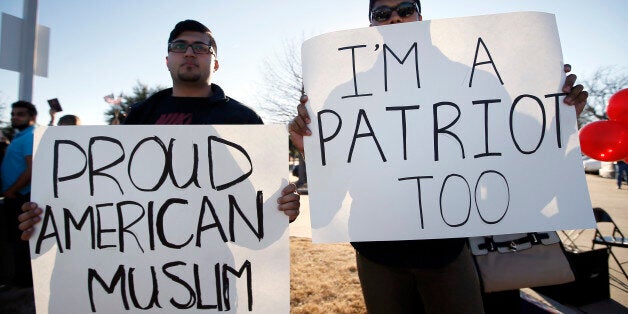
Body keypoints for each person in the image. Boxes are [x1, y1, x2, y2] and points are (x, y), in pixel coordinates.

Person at [288, 1, 589, 313]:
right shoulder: (346, 95)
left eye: (405, 9)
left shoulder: (472, 82)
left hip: (454, 249)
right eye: (382, 14)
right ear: (371, 27)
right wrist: (310, 149)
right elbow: (335, 187)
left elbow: (518, 153)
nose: (394, 19)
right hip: (376, 254)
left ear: (422, 18)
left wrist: (560, 118)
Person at [18, 20, 300, 242]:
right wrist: (50, 214)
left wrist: (283, 207)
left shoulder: (243, 119)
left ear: (215, 63)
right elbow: (110, 187)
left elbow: (261, 195)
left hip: (220, 259)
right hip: (146, 255)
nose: (189, 52)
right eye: (179, 46)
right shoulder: (142, 115)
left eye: (201, 48)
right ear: (167, 60)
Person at [1, 101, 38, 288]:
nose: (15, 117)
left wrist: (12, 190)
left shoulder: (30, 136)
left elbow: (31, 170)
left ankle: (23, 282)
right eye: (13, 114)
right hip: (14, 196)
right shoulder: (19, 137)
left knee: (22, 240)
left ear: (32, 117)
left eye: (20, 114)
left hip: (21, 197)